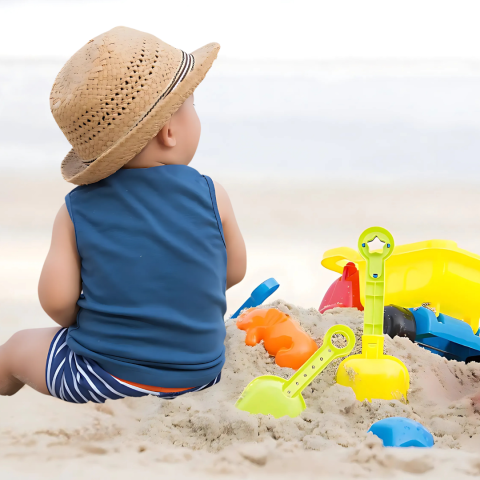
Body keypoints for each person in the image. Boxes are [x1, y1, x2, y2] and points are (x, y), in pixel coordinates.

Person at [0, 26, 246, 403]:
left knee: (16, 347)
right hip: (202, 375)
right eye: (192, 106)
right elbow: (232, 272)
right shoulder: (214, 194)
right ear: (169, 133)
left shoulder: (76, 209)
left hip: (101, 380)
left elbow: (58, 305)